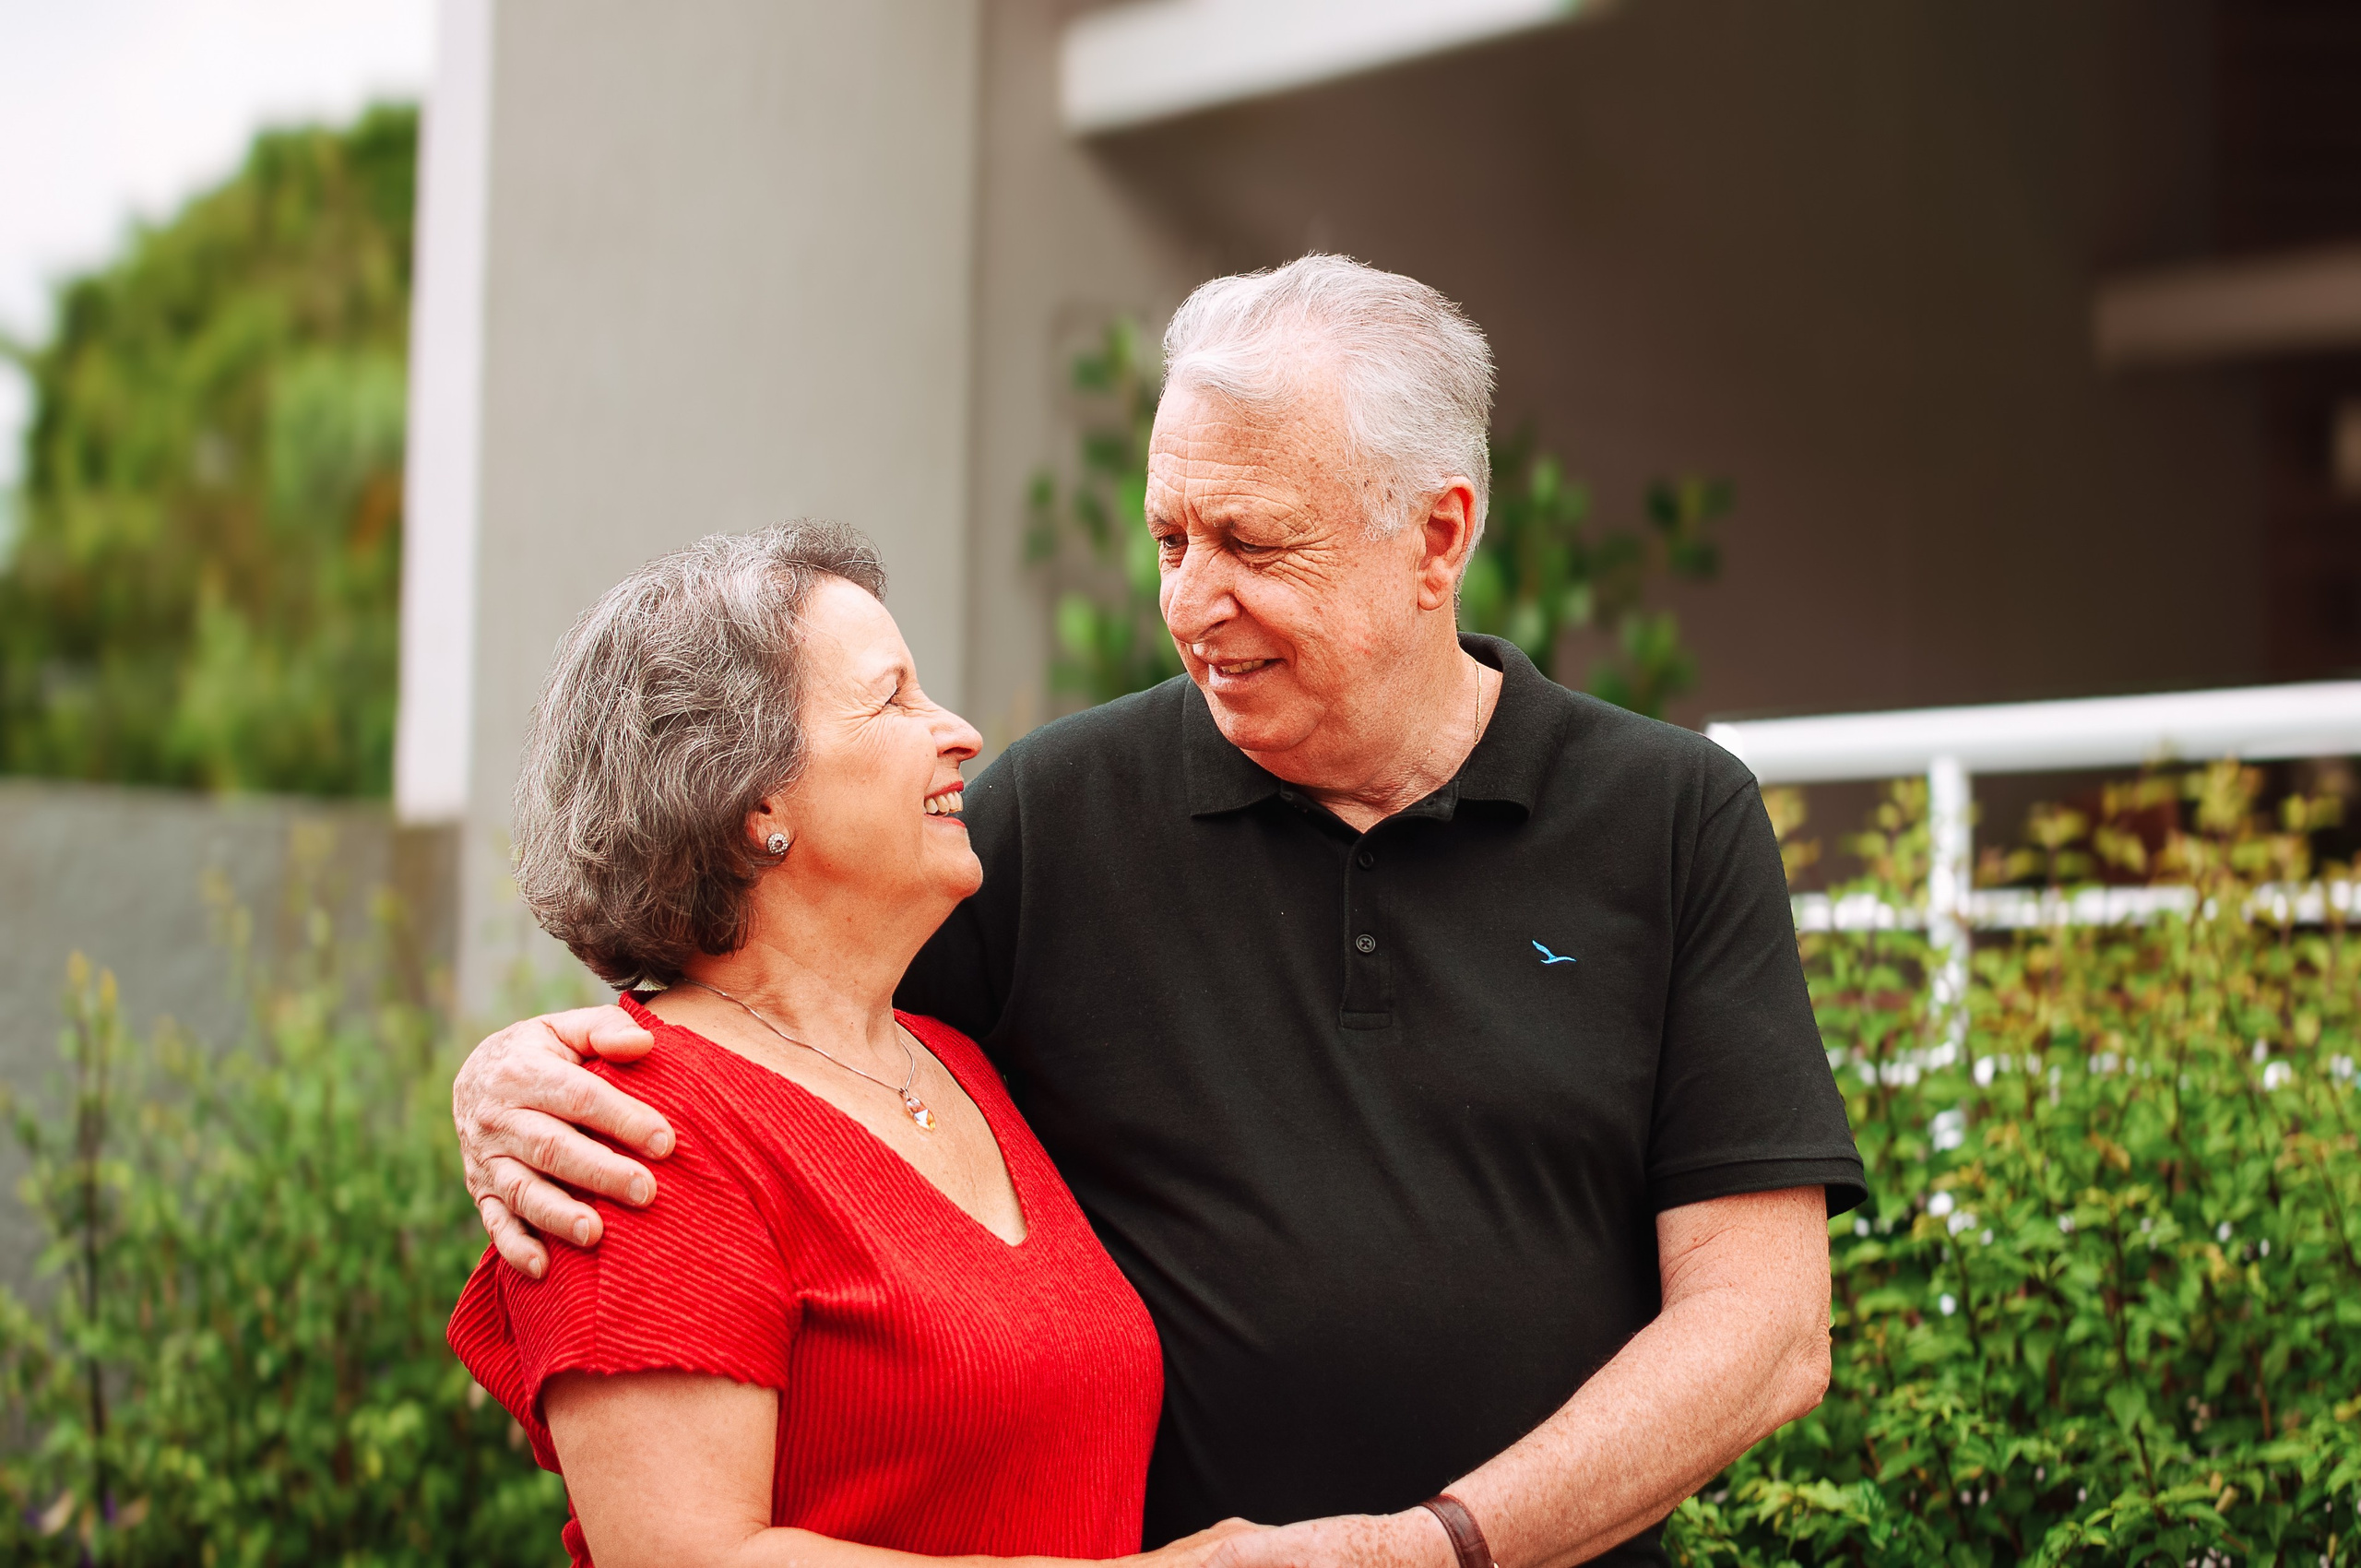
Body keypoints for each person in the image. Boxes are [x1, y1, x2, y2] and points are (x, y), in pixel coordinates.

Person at [452, 255, 1867, 1568]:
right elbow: (772, 1028)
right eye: (1171, 537)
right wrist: (520, 1071)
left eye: (1252, 542)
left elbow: (1764, 1328)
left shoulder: (1671, 821)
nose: (1193, 602)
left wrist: (1427, 1550)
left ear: (1437, 537)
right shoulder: (1047, 820)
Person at [445, 523, 1239, 1568]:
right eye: (893, 697)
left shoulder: (960, 1064)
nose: (958, 731)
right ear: (754, 801)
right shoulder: (630, 1126)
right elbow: (687, 1558)